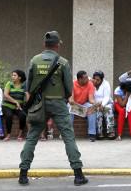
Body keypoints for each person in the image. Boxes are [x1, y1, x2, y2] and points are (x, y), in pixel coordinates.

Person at [18, 30, 88, 186]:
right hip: (58, 103)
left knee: (32, 137)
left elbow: (28, 86)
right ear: (57, 45)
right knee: (68, 137)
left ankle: (23, 174)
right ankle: (78, 174)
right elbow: (69, 88)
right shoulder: (62, 62)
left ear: (44, 44)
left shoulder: (35, 60)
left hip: (39, 104)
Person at [69, 70, 97, 142]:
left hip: (84, 104)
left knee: (92, 108)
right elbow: (71, 100)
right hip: (74, 104)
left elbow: (91, 99)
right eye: (85, 78)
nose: (88, 79)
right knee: (68, 109)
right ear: (80, 79)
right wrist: (73, 103)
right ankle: (69, 133)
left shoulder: (90, 84)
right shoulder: (72, 84)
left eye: (87, 77)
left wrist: (96, 103)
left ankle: (92, 134)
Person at [2, 70, 27, 141]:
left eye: (14, 75)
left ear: (19, 77)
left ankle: (20, 135)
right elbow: (6, 95)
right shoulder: (9, 84)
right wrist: (16, 102)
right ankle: (8, 135)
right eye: (12, 75)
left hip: (19, 106)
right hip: (7, 105)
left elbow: (27, 95)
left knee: (23, 116)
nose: (12, 77)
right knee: (9, 116)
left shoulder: (24, 85)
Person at [92, 71, 115, 139]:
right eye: (95, 79)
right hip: (96, 104)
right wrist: (97, 105)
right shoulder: (91, 84)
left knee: (108, 110)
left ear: (102, 80)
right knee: (98, 112)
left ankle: (111, 131)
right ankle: (99, 132)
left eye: (98, 80)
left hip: (107, 103)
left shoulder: (106, 84)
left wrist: (102, 105)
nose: (96, 81)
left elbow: (107, 97)